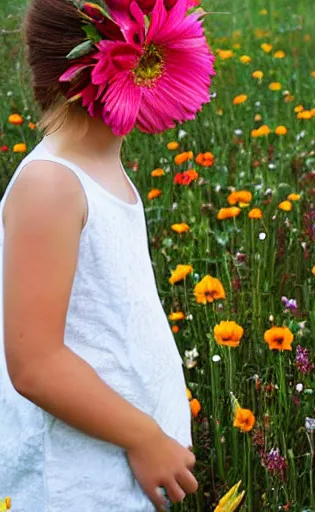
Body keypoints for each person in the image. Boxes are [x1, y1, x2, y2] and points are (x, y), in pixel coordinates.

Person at [0, 0, 215, 510]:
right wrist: (145, 436)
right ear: (100, 59)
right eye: (148, 57)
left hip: (115, 469)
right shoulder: (51, 184)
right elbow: (35, 363)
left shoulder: (98, 172)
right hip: (74, 481)